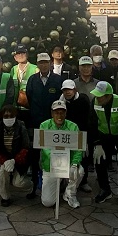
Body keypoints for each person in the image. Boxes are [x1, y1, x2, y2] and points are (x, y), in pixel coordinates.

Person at [25, 53, 63, 197]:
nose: (43, 65)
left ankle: (56, 186)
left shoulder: (57, 80)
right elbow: (29, 96)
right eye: (40, 63)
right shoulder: (32, 80)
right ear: (38, 64)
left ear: (50, 64)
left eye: (46, 62)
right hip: (36, 123)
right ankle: (35, 185)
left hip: (53, 124)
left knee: (54, 153)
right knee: (36, 156)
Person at [90, 81, 118, 205]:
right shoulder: (94, 102)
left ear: (109, 96)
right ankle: (105, 190)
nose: (97, 98)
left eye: (100, 96)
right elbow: (92, 123)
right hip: (102, 135)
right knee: (99, 160)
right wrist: (97, 144)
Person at [38, 99, 83, 209]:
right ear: (52, 113)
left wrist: (74, 164)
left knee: (79, 171)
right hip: (50, 166)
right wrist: (57, 159)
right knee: (47, 202)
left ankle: (69, 193)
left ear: (66, 113)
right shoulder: (44, 126)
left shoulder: (73, 127)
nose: (59, 115)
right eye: (56, 112)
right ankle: (60, 184)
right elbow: (44, 148)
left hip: (68, 164)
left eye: (62, 112)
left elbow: (79, 149)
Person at [61, 79, 95, 194]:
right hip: (67, 134)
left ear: (74, 89)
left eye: (70, 90)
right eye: (65, 90)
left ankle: (83, 182)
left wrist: (85, 139)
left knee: (83, 158)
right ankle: (65, 181)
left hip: (82, 132)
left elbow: (87, 119)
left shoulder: (83, 100)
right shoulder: (61, 102)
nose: (67, 92)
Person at [0, 104, 32, 206]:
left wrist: (14, 160)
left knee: (19, 183)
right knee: (2, 173)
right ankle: (5, 197)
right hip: (5, 159)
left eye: (11, 116)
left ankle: (32, 186)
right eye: (6, 116)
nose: (8, 118)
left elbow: (26, 147)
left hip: (19, 160)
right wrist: (5, 161)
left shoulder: (21, 126)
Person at [10, 45, 37, 124]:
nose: (21, 55)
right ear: (15, 57)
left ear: (27, 55)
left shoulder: (35, 68)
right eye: (18, 54)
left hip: (29, 109)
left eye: (23, 53)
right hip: (16, 109)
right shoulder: (13, 69)